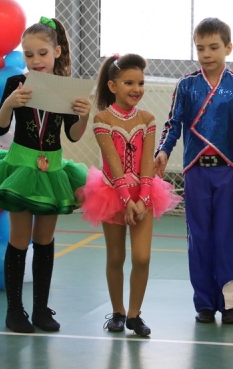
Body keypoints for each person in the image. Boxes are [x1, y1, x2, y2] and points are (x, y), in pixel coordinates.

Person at [0, 17, 90, 334]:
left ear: (57, 52)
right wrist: (10, 104)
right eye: (28, 54)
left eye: (42, 53)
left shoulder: (65, 88)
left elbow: (73, 135)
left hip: (52, 168)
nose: (36, 60)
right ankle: (14, 310)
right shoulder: (16, 83)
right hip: (20, 166)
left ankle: (40, 309)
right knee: (19, 239)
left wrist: (83, 115)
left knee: (45, 240)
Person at [155, 17, 233, 325]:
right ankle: (204, 304)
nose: (206, 54)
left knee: (228, 240)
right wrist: (163, 150)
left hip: (228, 172)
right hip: (196, 172)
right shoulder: (186, 85)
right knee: (198, 239)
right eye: (200, 48)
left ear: (228, 48)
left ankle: (231, 304)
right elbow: (173, 123)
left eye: (213, 47)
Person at [77, 53, 181, 337]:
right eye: (129, 83)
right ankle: (118, 312)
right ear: (112, 86)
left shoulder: (147, 119)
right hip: (112, 194)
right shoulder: (102, 119)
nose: (136, 89)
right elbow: (113, 166)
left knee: (142, 258)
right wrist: (126, 200)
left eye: (141, 83)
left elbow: (147, 163)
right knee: (115, 257)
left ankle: (135, 315)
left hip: (144, 194)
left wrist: (143, 199)